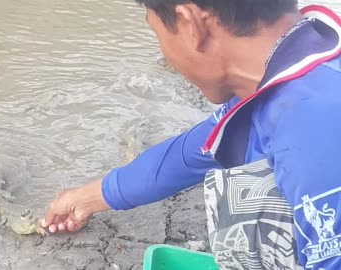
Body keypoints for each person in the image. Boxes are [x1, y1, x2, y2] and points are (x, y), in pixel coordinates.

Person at [41, 1, 341, 269]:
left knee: (245, 200)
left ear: (189, 24)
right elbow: (196, 152)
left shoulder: (312, 125)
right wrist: (89, 197)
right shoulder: (294, 71)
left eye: (157, 34)